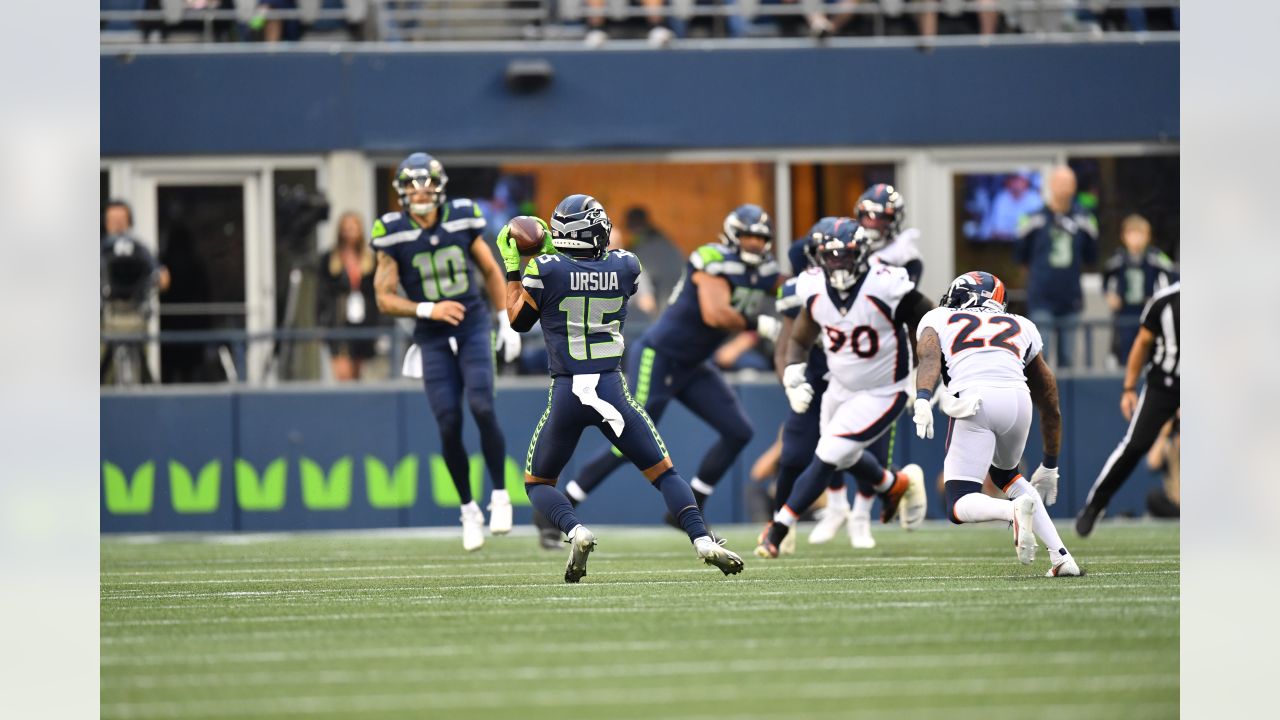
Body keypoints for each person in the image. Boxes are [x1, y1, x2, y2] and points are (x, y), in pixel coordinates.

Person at [498, 194, 745, 582]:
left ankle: (575, 530)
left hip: (566, 392)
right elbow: (588, 273)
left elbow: (518, 320)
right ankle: (701, 539)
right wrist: (554, 257)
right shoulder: (627, 266)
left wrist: (515, 267)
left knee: (539, 484)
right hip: (612, 390)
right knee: (665, 474)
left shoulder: (544, 269)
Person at [560, 204, 782, 530]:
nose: (753, 244)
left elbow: (791, 289)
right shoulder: (711, 258)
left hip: (692, 364)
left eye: (759, 238)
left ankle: (692, 505)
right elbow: (715, 313)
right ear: (734, 236)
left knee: (739, 431)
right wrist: (759, 323)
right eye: (747, 236)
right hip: (660, 355)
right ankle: (563, 502)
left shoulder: (765, 271)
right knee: (631, 440)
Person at [370, 152, 522, 551]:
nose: (420, 193)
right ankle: (468, 508)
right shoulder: (392, 232)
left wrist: (505, 320)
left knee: (483, 407)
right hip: (432, 334)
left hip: (472, 323)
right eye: (412, 186)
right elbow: (383, 298)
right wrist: (427, 308)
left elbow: (490, 270)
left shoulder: (462, 216)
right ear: (401, 192)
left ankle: (500, 495)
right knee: (448, 422)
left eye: (427, 185)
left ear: (440, 187)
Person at [755, 224, 931, 559]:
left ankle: (777, 529)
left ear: (861, 253)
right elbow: (800, 337)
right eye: (829, 256)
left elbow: (929, 321)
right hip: (840, 387)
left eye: (844, 255)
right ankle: (894, 485)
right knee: (843, 455)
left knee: (829, 452)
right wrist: (793, 369)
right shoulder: (812, 285)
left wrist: (924, 377)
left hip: (884, 389)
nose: (837, 263)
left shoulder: (885, 283)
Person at [912, 271, 1082, 577]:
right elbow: (1049, 396)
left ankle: (1010, 510)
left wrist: (923, 396)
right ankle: (1062, 557)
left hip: (976, 400)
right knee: (1008, 476)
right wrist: (1050, 463)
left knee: (958, 499)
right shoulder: (1022, 324)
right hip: (1019, 402)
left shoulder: (939, 317)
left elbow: (929, 359)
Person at [1076, 282, 1179, 537]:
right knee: (1134, 445)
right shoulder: (1165, 302)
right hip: (1164, 385)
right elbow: (1143, 342)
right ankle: (1095, 504)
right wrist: (1129, 387)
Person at [1015, 166, 1098, 368]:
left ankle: (1064, 401)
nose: (1065, 188)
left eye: (1069, 183)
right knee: (1039, 358)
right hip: (1041, 299)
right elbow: (1020, 258)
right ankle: (1041, 401)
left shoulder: (1085, 219)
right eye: (1061, 182)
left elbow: (1091, 256)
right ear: (1051, 185)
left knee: (1067, 361)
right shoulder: (1032, 219)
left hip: (1071, 299)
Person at [101, 199, 169, 385]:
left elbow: (161, 275)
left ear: (129, 221)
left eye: (121, 219)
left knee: (142, 368)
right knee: (103, 369)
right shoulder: (101, 250)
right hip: (107, 317)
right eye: (112, 220)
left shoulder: (140, 249)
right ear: (106, 223)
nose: (117, 224)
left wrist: (158, 279)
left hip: (135, 315)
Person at [1102, 214, 1177, 365]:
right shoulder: (1118, 259)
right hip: (1124, 315)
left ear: (1148, 236)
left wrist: (1159, 300)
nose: (1136, 239)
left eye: (1140, 234)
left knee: (1151, 352)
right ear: (1124, 237)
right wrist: (1110, 295)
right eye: (1132, 234)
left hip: (1149, 316)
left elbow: (1173, 274)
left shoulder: (1155, 258)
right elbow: (1107, 277)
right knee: (1125, 353)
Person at [316, 211, 381, 382]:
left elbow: (377, 294)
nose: (350, 232)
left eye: (354, 227)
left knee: (357, 375)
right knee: (343, 375)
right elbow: (321, 294)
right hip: (338, 321)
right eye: (346, 228)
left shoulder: (370, 259)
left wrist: (379, 324)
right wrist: (320, 324)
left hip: (363, 321)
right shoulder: (329, 258)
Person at [983, 171, 1044, 241]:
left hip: (1028, 245)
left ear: (1026, 182)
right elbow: (996, 229)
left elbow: (1039, 223)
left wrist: (1021, 231)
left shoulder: (1034, 199)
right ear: (1008, 182)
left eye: (1019, 180)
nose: (1016, 183)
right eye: (1013, 179)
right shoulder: (1001, 198)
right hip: (1003, 244)